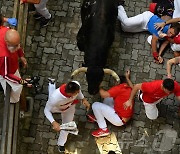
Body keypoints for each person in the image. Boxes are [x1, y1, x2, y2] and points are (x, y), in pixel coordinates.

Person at [44, 79, 90, 152]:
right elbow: (46, 110)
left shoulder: (76, 84)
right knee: (51, 99)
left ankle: (61, 144)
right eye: (76, 93)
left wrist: (83, 99)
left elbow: (79, 91)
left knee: (67, 126)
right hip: (57, 108)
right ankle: (52, 84)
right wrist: (53, 122)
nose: (78, 93)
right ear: (69, 93)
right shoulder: (55, 98)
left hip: (69, 108)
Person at [91, 70, 134, 137]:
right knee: (108, 99)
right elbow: (132, 87)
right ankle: (100, 117)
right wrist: (127, 78)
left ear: (117, 82)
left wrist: (97, 85)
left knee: (95, 105)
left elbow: (103, 94)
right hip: (124, 115)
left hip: (119, 119)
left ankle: (103, 129)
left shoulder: (118, 89)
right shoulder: (127, 87)